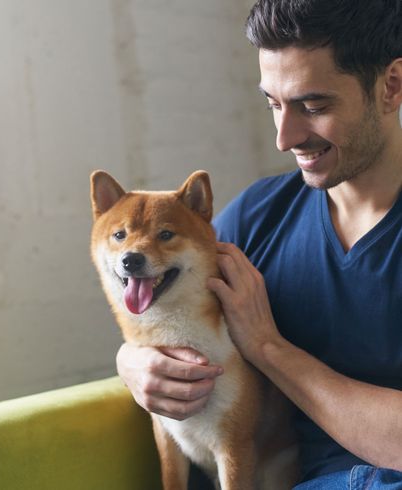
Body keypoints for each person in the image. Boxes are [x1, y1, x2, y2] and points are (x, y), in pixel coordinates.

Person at [116, 0, 402, 487]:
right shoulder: (256, 218)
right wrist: (134, 364)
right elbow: (163, 316)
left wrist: (269, 348)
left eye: (313, 107)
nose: (284, 137)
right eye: (273, 104)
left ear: (391, 87)